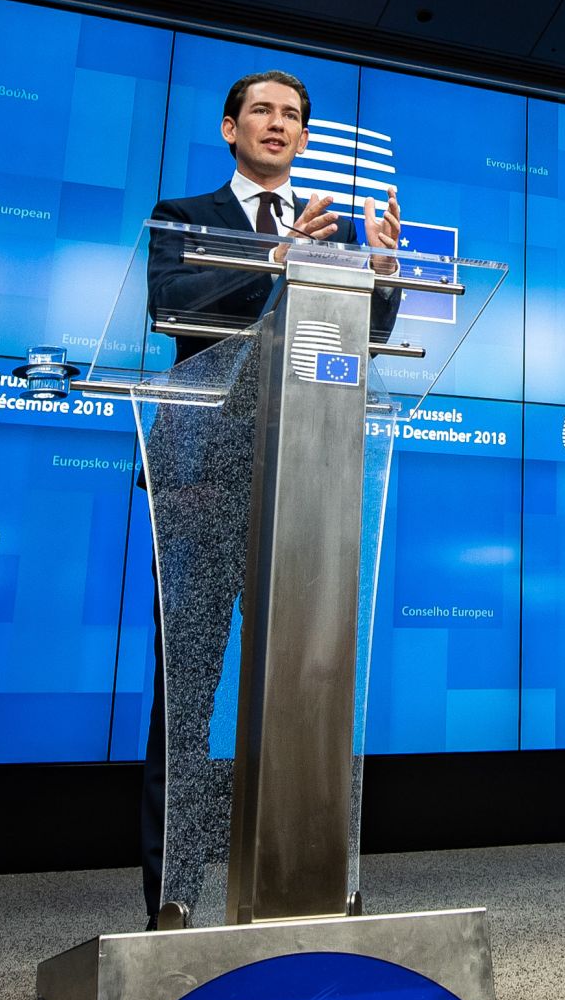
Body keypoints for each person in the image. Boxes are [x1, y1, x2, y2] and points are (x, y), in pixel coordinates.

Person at [138, 68, 400, 924]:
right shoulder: (185, 214)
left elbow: (359, 337)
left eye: (292, 115)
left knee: (306, 686)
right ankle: (172, 895)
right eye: (262, 110)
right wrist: (273, 260)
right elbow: (171, 308)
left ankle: (304, 883)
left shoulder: (329, 230)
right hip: (206, 479)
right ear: (229, 127)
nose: (278, 125)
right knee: (189, 691)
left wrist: (383, 277)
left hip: (308, 485)